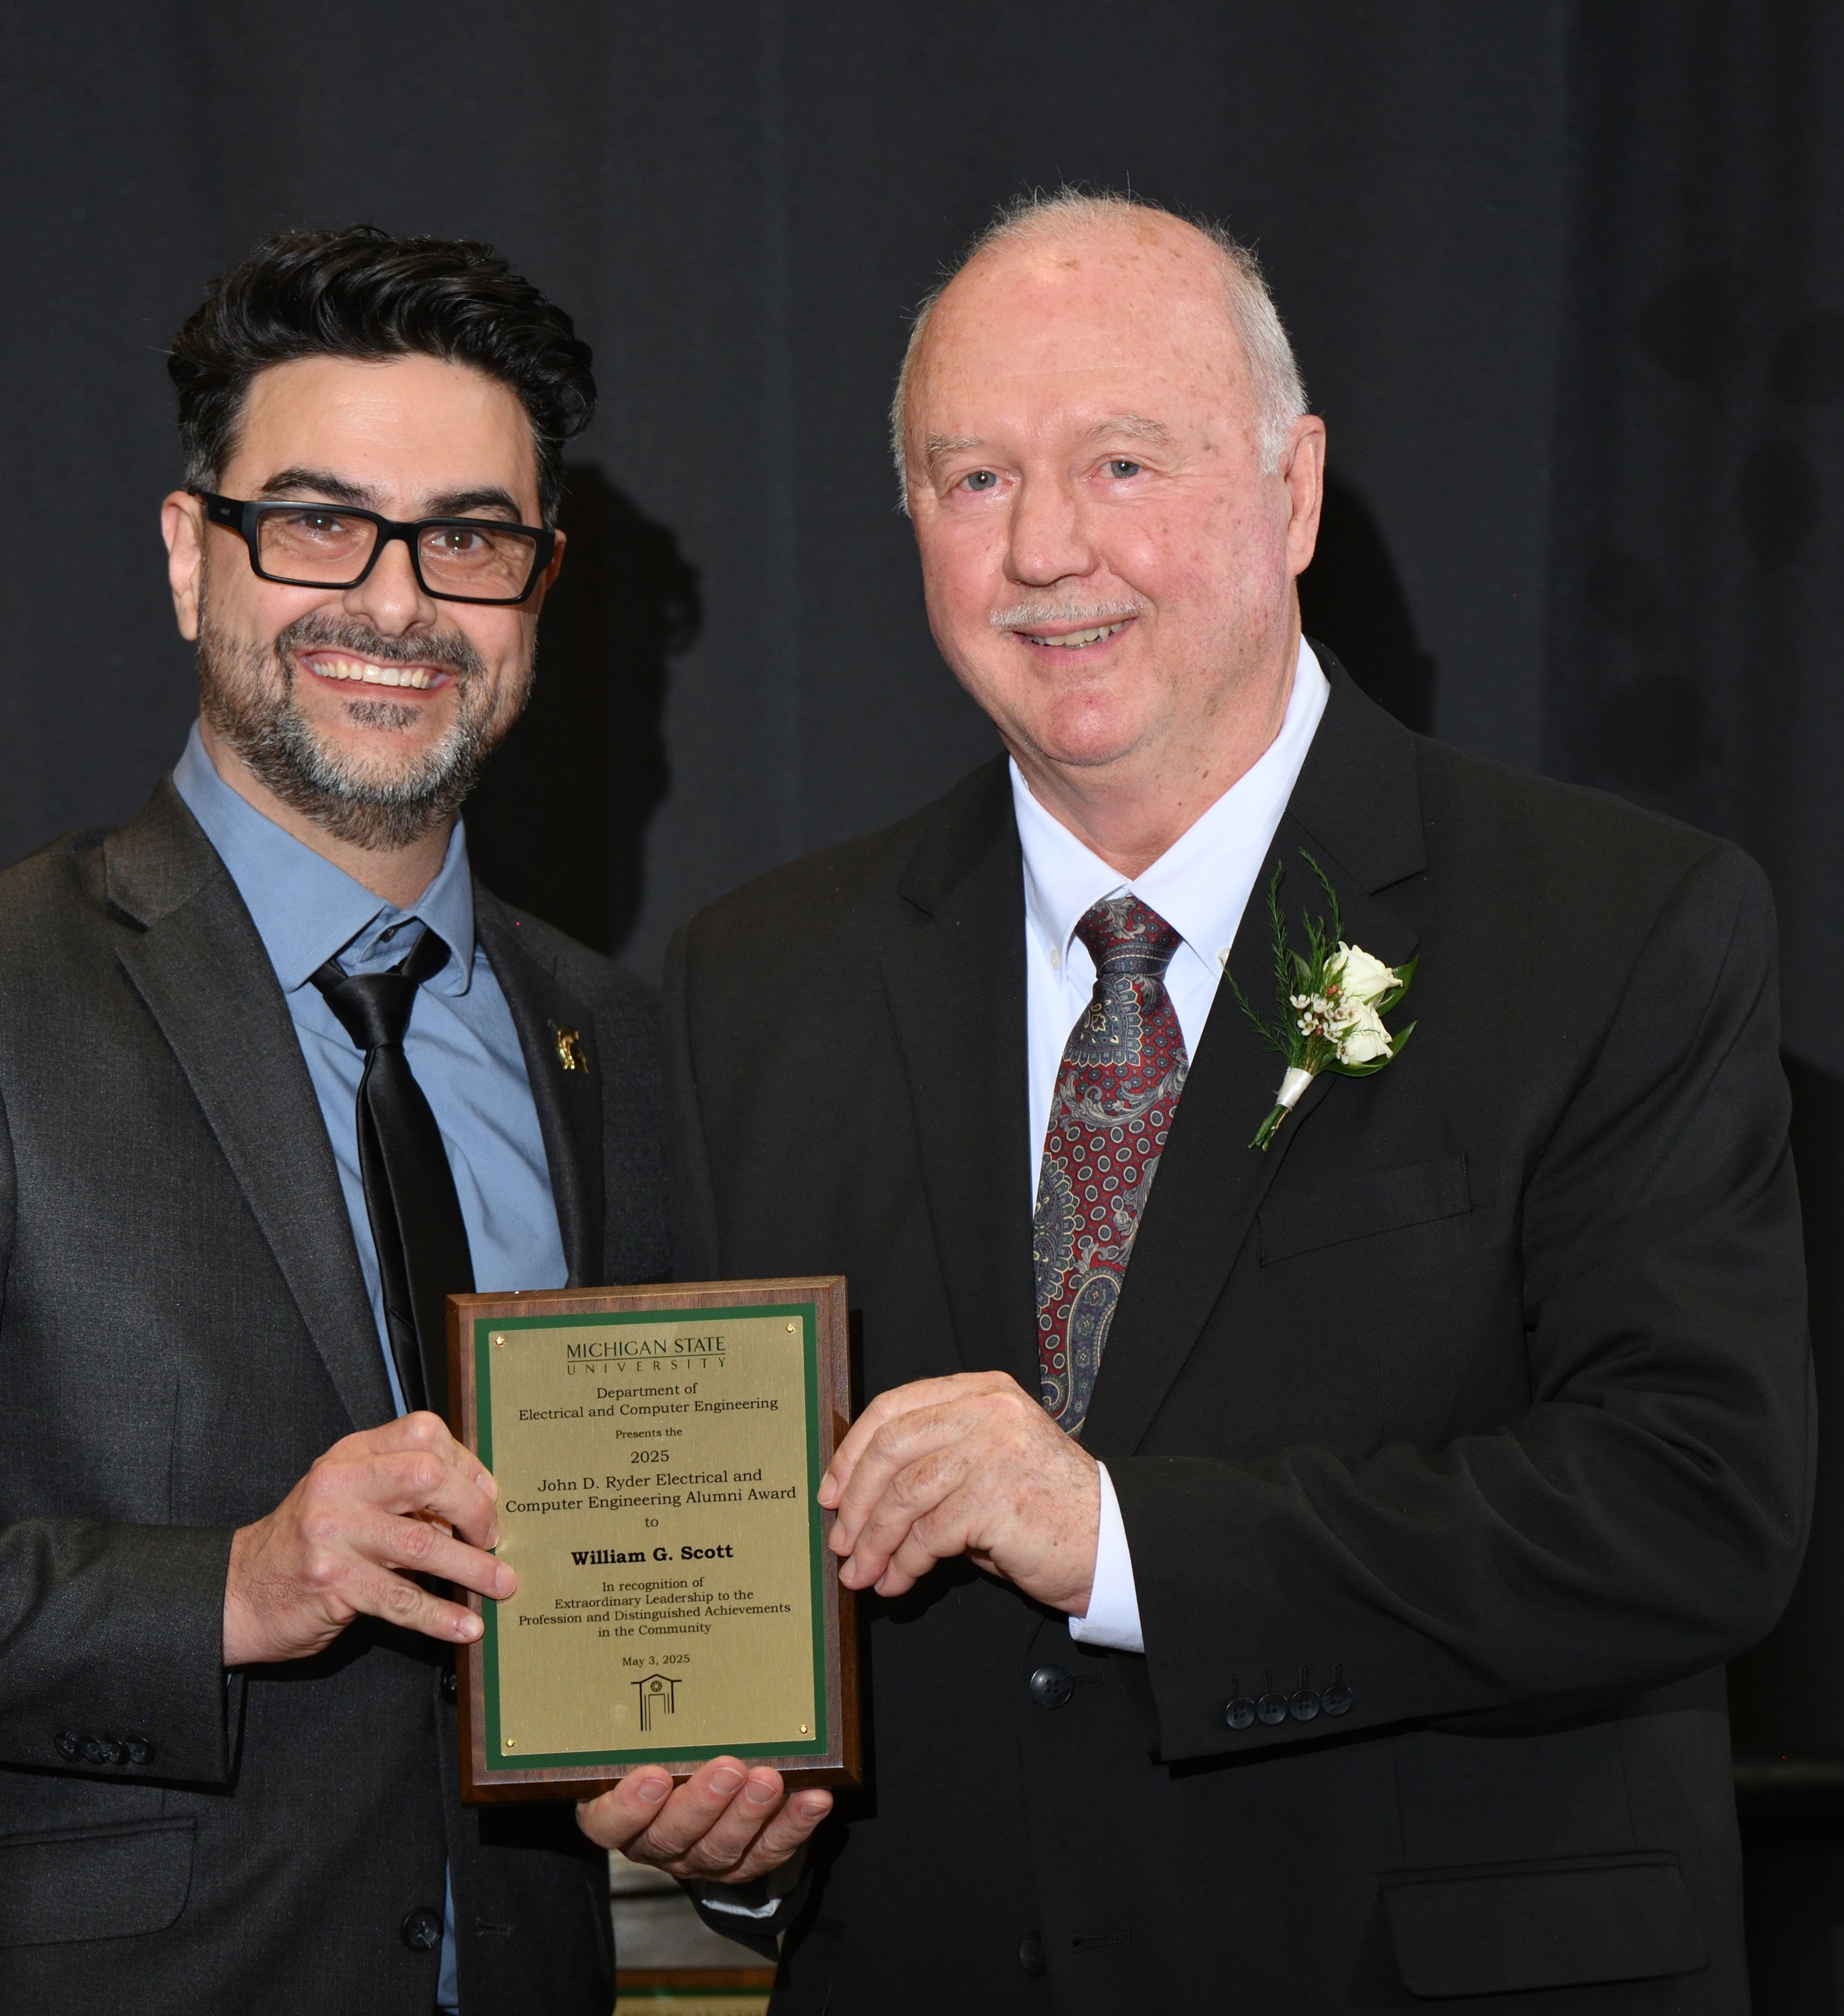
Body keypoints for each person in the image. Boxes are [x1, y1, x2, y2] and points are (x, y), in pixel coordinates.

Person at [664, 190, 1812, 2009]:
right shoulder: (754, 981)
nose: (1044, 547)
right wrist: (728, 1840)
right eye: (973, 479)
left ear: (1292, 493)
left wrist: (1119, 1540)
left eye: (1121, 463)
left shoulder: (1616, 926)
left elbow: (1689, 1506)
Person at [0, 224, 683, 2015]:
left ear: (537, 586)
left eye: (467, 537)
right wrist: (223, 1588)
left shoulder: (613, 1038)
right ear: (187, 555)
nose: (396, 603)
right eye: (315, 522)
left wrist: (713, 1803)